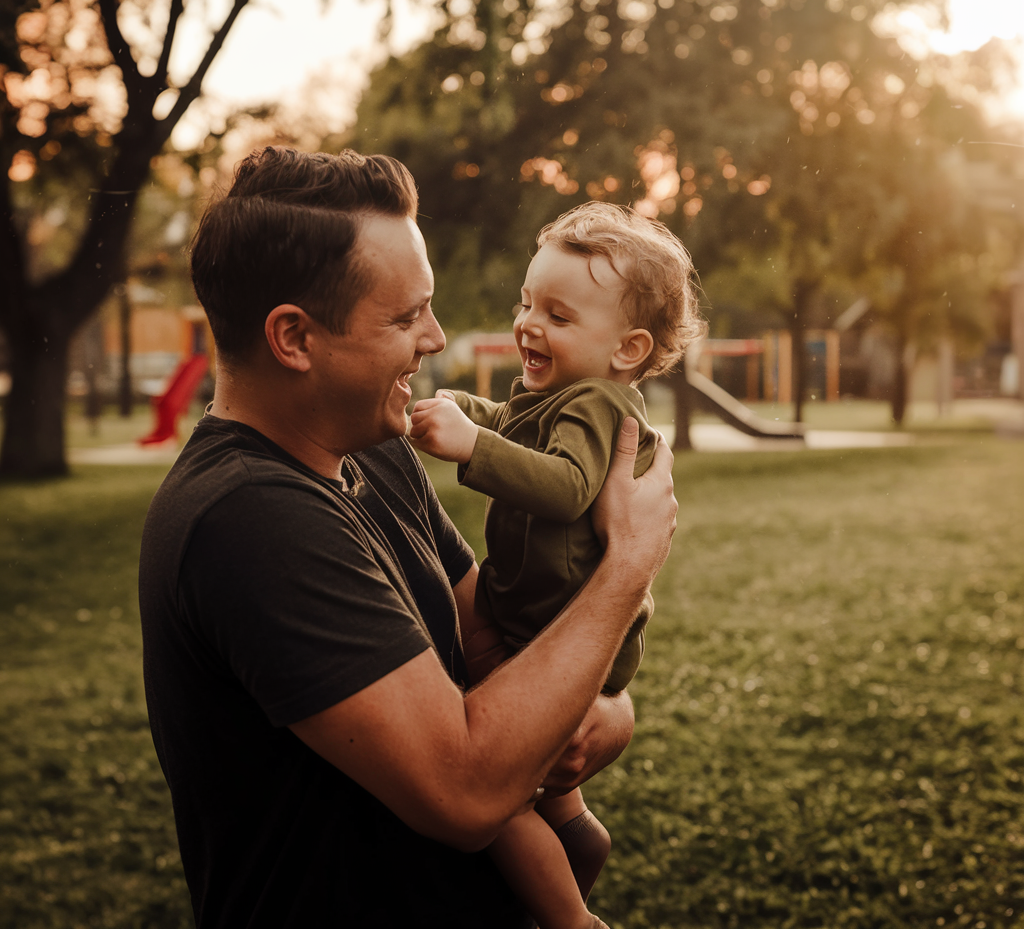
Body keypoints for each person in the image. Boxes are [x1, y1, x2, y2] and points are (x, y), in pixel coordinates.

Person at [138, 147, 679, 929]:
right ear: (294, 338)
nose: (436, 337)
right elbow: (466, 790)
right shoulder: (247, 519)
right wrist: (626, 569)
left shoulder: (377, 447)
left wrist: (606, 711)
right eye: (404, 316)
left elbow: (489, 644)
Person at [409, 201, 703, 928]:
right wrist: (466, 411)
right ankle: (580, 833)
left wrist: (470, 447)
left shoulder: (599, 405)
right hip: (540, 625)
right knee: (548, 796)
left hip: (562, 634)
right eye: (527, 303)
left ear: (627, 349)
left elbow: (569, 487)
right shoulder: (558, 394)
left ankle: (573, 921)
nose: (529, 325)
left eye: (559, 317)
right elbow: (512, 426)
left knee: (504, 808)